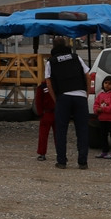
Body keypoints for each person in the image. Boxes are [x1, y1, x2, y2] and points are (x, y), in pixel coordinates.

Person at [45, 36, 90, 169]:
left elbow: (48, 82)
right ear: (66, 45)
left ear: (53, 46)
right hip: (80, 96)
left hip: (63, 97)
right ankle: (83, 162)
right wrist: (86, 93)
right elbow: (87, 75)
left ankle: (61, 161)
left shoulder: (51, 62)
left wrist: (56, 99)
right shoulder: (76, 57)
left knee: (61, 130)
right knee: (82, 130)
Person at [93, 75, 111, 159]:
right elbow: (96, 104)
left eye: (109, 84)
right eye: (106, 83)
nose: (107, 85)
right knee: (103, 136)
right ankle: (104, 151)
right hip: (102, 119)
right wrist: (96, 110)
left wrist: (103, 109)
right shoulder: (100, 95)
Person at [33, 80, 56, 161]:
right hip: (57, 113)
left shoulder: (42, 87)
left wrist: (40, 113)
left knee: (43, 134)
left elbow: (38, 101)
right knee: (59, 135)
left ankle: (42, 154)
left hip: (46, 113)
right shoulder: (58, 84)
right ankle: (61, 154)